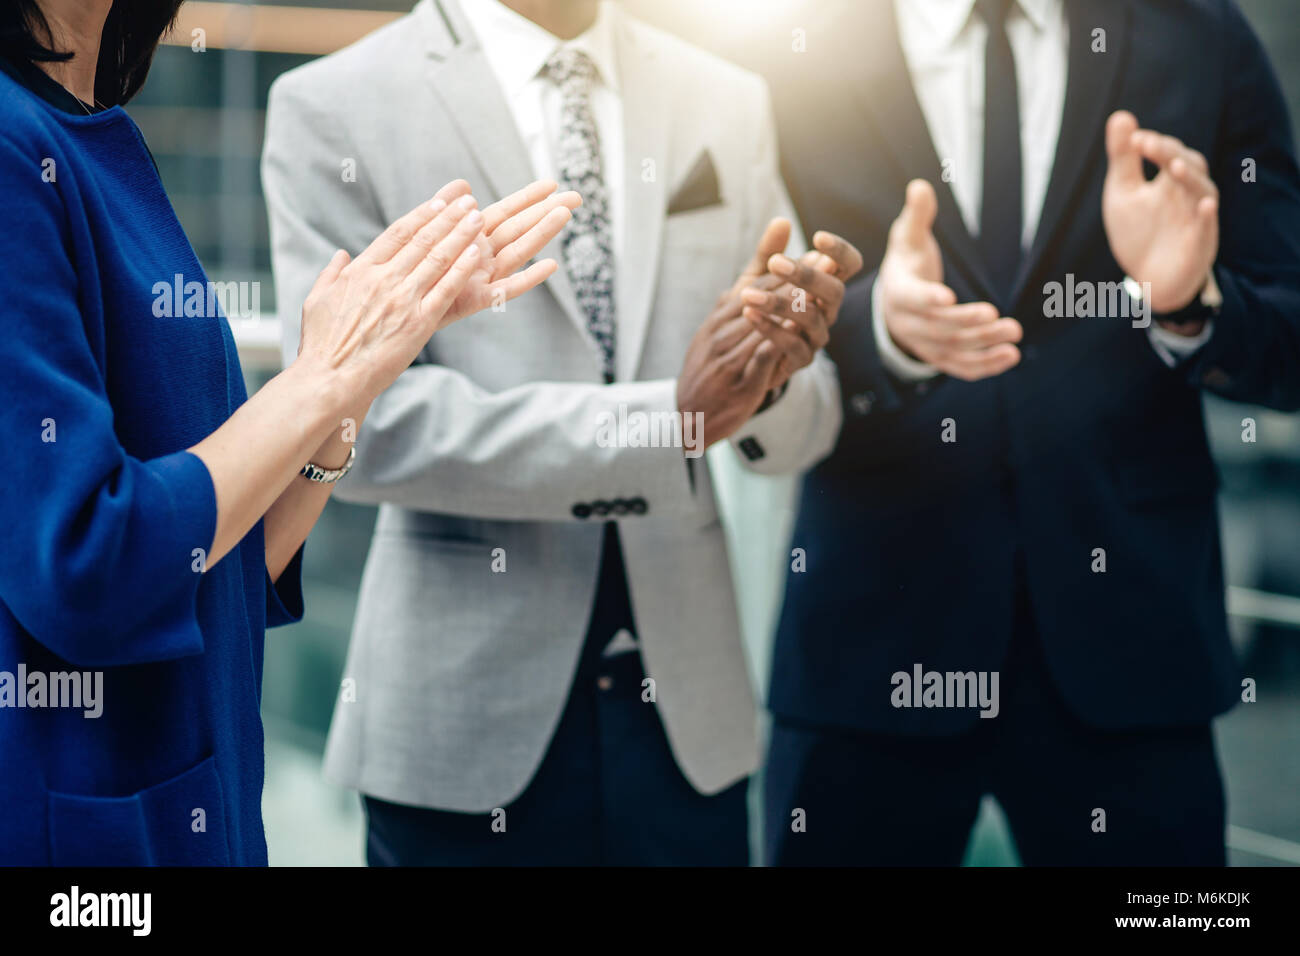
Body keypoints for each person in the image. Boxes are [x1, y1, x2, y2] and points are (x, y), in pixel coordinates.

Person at [263, 0, 861, 866]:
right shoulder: (334, 103)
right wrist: (668, 421)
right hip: (457, 732)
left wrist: (769, 380)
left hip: (690, 728)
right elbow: (366, 426)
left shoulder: (727, 96)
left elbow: (812, 425)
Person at [0, 0, 574, 865]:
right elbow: (90, 562)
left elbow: (227, 562)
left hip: (192, 802)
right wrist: (322, 376)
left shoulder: (86, 132)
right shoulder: (12, 148)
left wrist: (359, 380)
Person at [761, 0, 1300, 865]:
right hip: (871, 642)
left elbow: (1289, 337)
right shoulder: (796, 43)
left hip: (1132, 650)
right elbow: (739, 315)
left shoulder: (1200, 32)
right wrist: (881, 330)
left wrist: (1190, 303)